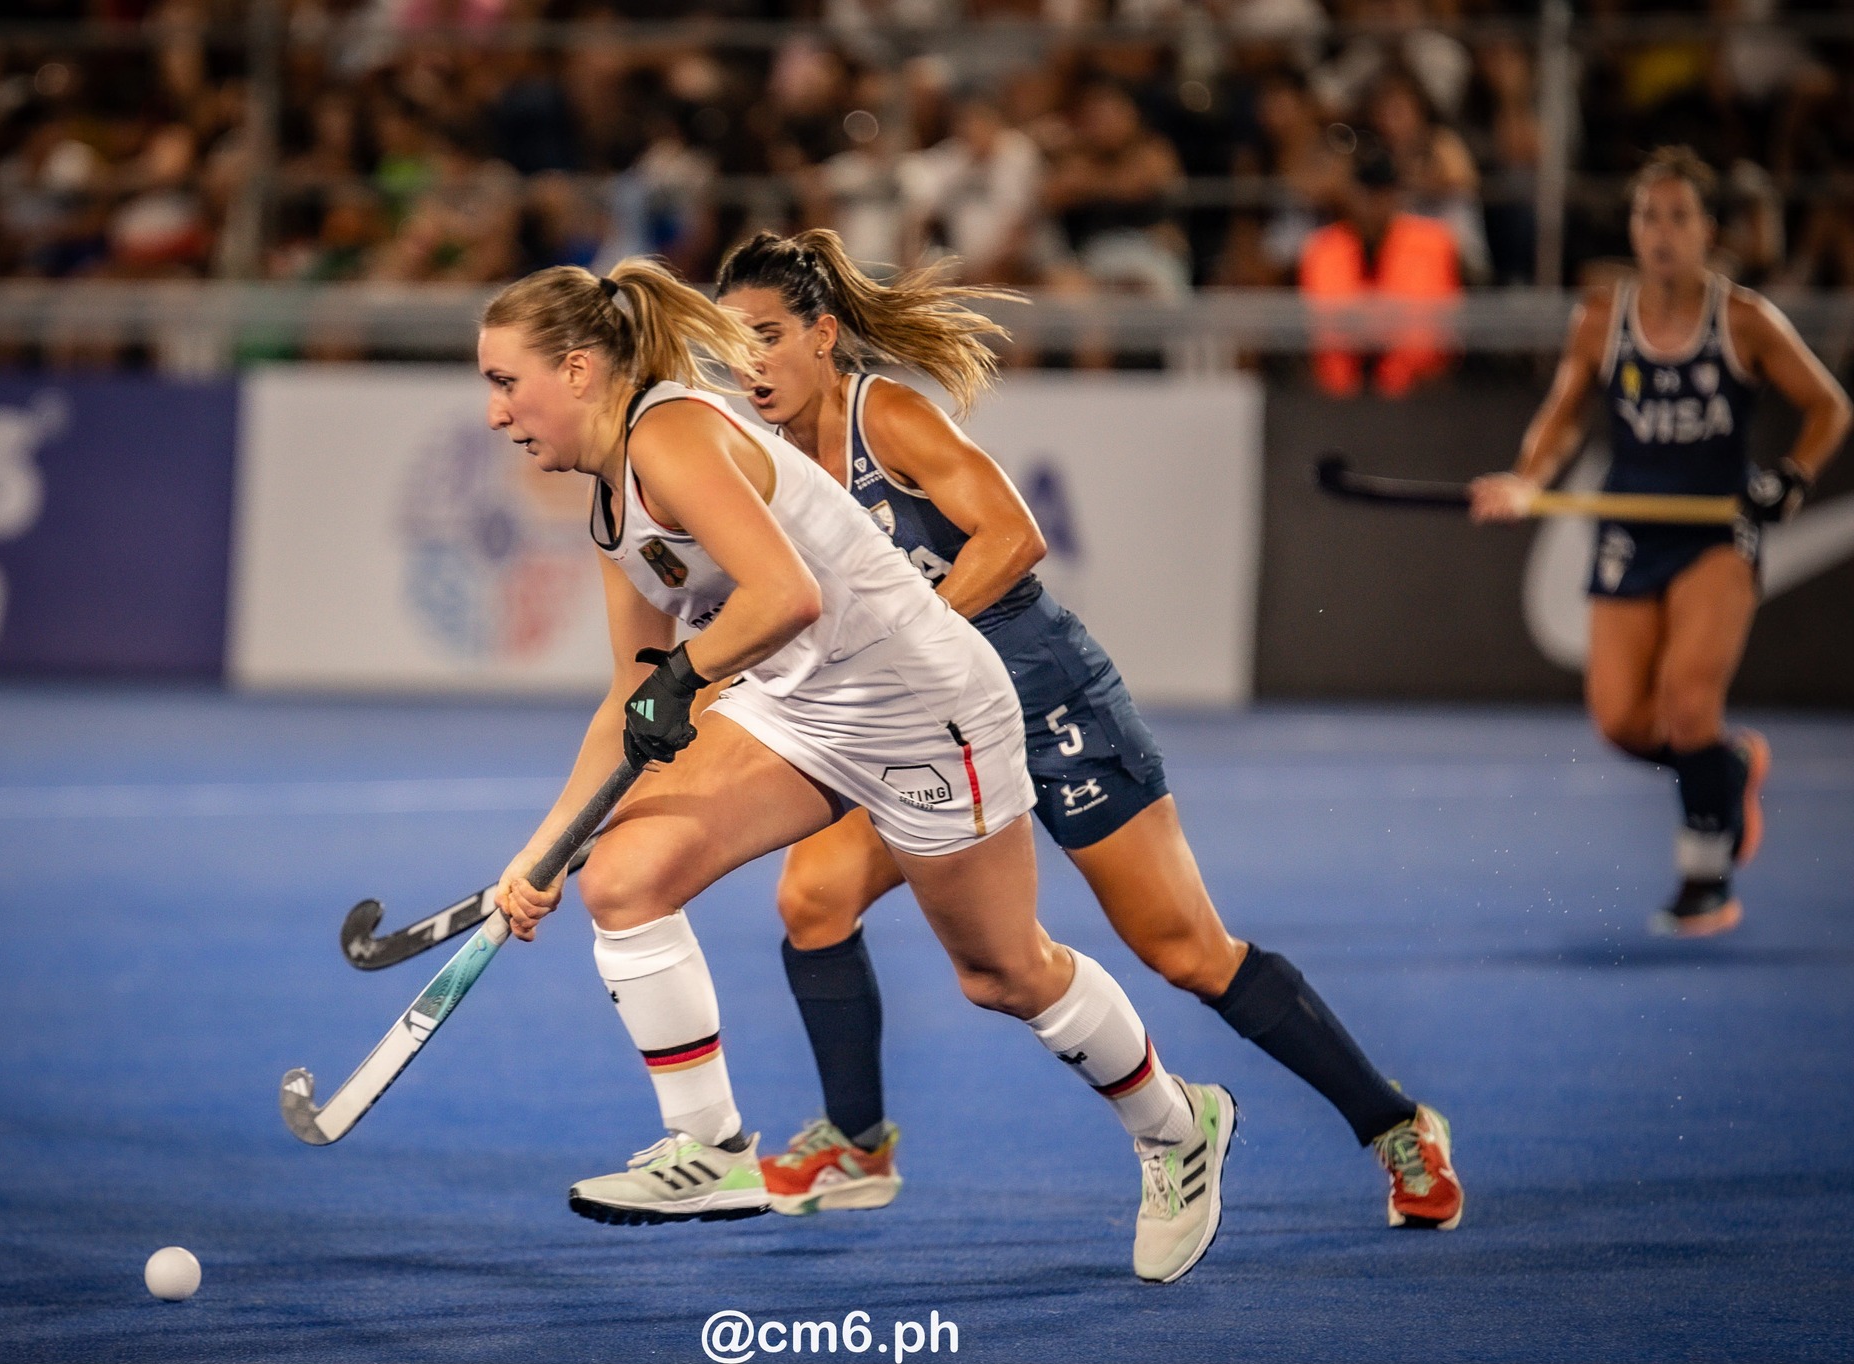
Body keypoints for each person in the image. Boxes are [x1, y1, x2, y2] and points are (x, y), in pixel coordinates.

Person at [480, 257, 1236, 1283]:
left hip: (925, 704)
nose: (493, 413)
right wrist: (540, 854)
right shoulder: (610, 504)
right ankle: (710, 1148)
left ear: (574, 371)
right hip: (808, 705)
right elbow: (631, 693)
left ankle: (1174, 1121)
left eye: (501, 382)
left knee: (1000, 972)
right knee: (621, 876)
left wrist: (687, 675)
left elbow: (782, 595)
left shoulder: (673, 433)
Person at [714, 228, 1465, 1232]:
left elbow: (1011, 535)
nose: (746, 361)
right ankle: (855, 1143)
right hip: (922, 719)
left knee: (1185, 949)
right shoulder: (750, 455)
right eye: (729, 342)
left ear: (822, 334)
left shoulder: (881, 414)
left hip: (1038, 694)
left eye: (765, 335)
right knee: (812, 896)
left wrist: (903, 632)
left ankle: (1394, 1123)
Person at [1472, 146, 1849, 937]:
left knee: (1687, 704)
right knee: (1621, 721)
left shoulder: (1743, 318)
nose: (1663, 232)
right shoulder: (1603, 319)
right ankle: (1728, 767)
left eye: (1680, 216)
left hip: (1716, 533)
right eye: (1650, 217)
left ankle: (1704, 877)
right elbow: (1564, 414)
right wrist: (1525, 478)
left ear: (1709, 229)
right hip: (1632, 530)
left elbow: (1830, 408)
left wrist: (1791, 476)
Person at [1300, 137, 1463, 398]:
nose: (1372, 203)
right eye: (1364, 191)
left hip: (1418, 394)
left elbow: (1441, 329)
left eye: (1382, 192)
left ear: (1396, 194)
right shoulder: (1321, 248)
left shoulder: (1435, 243)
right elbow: (1317, 328)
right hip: (1337, 396)